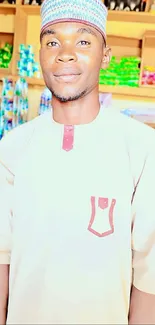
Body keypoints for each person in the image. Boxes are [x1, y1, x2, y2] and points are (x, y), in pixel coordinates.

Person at [0, 0, 155, 323]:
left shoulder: (140, 147)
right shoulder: (13, 148)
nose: (65, 53)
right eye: (52, 41)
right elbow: (2, 257)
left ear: (106, 55)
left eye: (83, 41)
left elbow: (149, 272)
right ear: (40, 53)